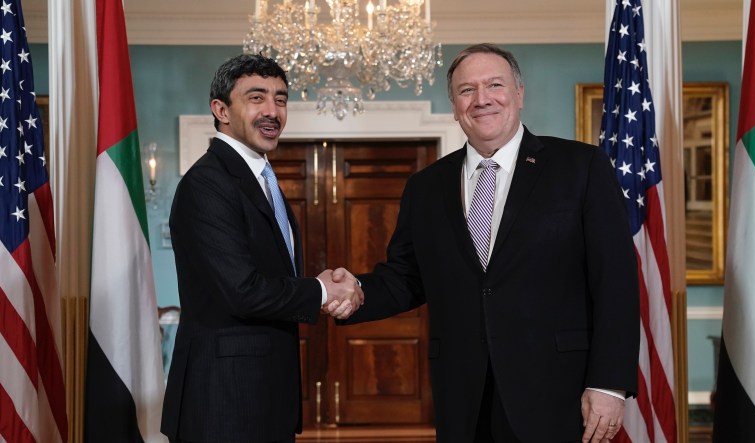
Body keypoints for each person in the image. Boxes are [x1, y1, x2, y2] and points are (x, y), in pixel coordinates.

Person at [331, 43, 640, 443]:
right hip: (464, 395)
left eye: (495, 85)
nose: (482, 99)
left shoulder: (581, 167)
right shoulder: (426, 187)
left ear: (519, 94)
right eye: (467, 90)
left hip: (558, 393)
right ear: (454, 105)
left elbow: (615, 282)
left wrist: (609, 384)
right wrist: (353, 292)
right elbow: (406, 278)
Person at [161, 53, 363, 443]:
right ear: (221, 110)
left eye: (280, 99)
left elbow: (270, 276)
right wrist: (321, 291)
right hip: (223, 402)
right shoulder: (207, 183)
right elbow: (242, 290)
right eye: (257, 98)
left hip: (262, 399)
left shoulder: (260, 178)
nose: (272, 111)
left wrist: (318, 287)